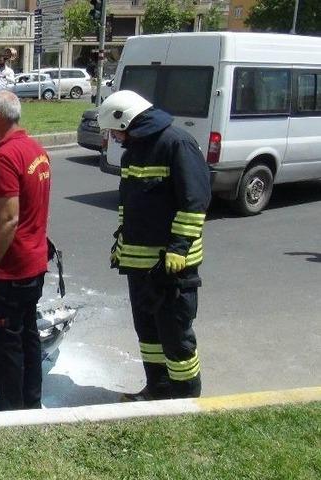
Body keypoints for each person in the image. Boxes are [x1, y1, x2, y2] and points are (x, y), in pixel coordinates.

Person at [98, 90, 211, 401]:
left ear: (129, 121)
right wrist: (122, 242)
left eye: (115, 131)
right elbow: (130, 204)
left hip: (171, 266)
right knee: (148, 334)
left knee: (176, 339)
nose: (115, 138)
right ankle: (158, 393)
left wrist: (178, 248)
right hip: (139, 266)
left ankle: (185, 398)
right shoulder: (134, 151)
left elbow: (194, 202)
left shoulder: (177, 144)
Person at [0, 90, 52, 411]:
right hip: (34, 264)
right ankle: (29, 403)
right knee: (28, 336)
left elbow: (8, 219)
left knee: (4, 345)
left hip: (10, 270)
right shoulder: (36, 150)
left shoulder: (5, 157)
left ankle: (12, 410)